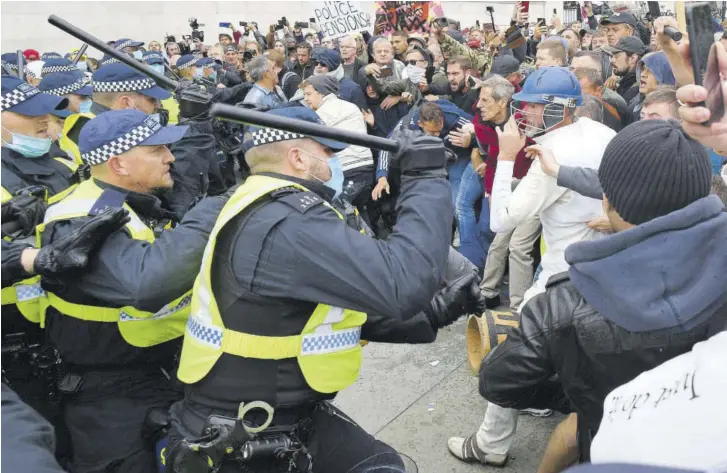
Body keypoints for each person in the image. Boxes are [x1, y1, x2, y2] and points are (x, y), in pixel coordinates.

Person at [165, 105, 483, 472]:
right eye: (328, 153)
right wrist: (425, 177)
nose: (334, 164)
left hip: (270, 413)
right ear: (298, 158)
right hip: (245, 432)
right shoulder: (287, 221)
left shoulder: (263, 206)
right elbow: (403, 283)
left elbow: (322, 314)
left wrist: (436, 312)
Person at [478, 119, 725, 469]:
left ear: (606, 200)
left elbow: (498, 382)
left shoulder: (560, 306)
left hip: (610, 449)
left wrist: (589, 401)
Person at [39, 109, 228, 473]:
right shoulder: (82, 217)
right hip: (108, 396)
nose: (170, 157)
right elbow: (145, 283)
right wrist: (209, 213)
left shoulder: (127, 204)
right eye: (157, 150)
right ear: (119, 164)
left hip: (151, 376)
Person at [448, 67, 616, 466]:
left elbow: (500, 220)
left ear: (562, 109)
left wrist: (504, 159)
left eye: (537, 108)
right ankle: (544, 404)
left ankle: (490, 443)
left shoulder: (551, 157)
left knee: (512, 350)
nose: (526, 115)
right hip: (610, 263)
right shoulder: (600, 132)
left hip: (565, 272)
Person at [473, 75, 538, 313]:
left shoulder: (526, 121)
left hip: (535, 188)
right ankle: (487, 293)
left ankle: (520, 306)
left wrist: (539, 150)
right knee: (500, 240)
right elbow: (491, 161)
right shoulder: (486, 126)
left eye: (484, 100)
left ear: (503, 103)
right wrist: (491, 192)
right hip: (508, 188)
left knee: (519, 246)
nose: (479, 105)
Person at [300, 75, 374, 213]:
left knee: (340, 213)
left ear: (321, 92)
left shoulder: (323, 113)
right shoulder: (348, 106)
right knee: (357, 215)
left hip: (349, 170)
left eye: (309, 94)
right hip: (364, 169)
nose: (305, 99)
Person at [572, 68, 623, 132]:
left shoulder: (614, 115)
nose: (574, 99)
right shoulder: (566, 111)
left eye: (580, 94)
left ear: (598, 91)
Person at [630, 51, 676, 122]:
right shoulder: (634, 105)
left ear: (663, 74)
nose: (643, 74)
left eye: (650, 71)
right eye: (643, 69)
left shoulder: (676, 107)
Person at [606, 36, 646, 105]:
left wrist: (607, 93)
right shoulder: (625, 83)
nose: (612, 60)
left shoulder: (637, 89)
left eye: (617, 56)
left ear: (633, 58)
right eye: (612, 56)